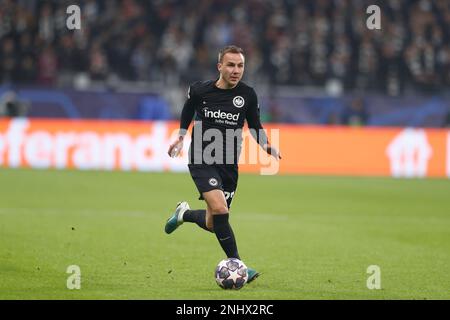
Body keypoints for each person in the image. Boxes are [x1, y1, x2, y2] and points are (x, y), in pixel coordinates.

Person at [165, 45, 281, 284]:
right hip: (202, 158)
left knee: (213, 223)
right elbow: (188, 109)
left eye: (240, 65)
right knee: (221, 210)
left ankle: (183, 214)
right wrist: (180, 134)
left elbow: (255, 125)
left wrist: (266, 145)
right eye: (230, 65)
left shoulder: (248, 95)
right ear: (220, 66)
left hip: (229, 165)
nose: (236, 70)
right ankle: (239, 265)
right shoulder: (200, 90)